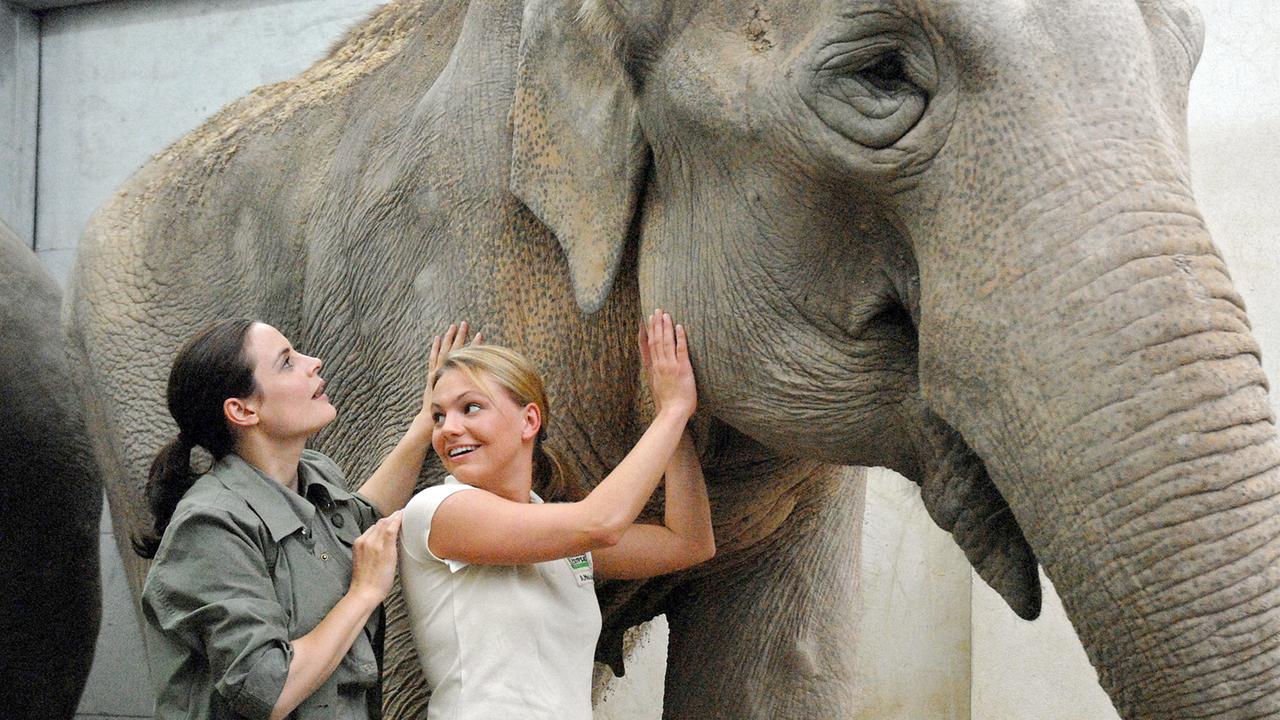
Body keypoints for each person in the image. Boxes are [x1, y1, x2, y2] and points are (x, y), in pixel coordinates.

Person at [136, 318, 476, 720]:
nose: (313, 362)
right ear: (242, 410)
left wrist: (427, 420)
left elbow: (364, 515)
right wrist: (363, 593)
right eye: (286, 362)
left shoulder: (315, 474)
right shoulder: (209, 525)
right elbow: (271, 689)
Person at [399, 309, 716, 719]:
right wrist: (673, 412)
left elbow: (688, 543)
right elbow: (600, 524)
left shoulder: (559, 535)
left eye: (470, 408)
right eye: (438, 415)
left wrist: (671, 420)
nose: (448, 429)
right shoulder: (437, 511)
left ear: (529, 420)